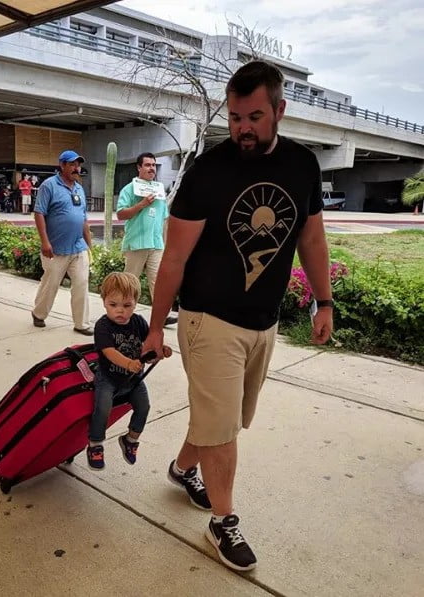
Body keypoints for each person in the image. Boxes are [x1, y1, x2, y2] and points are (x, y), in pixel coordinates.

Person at [143, 60, 333, 572]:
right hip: (210, 321)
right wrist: (156, 325)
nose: (243, 128)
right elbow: (175, 256)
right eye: (234, 117)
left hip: (263, 322)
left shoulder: (302, 165)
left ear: (279, 110)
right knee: (223, 429)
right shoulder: (210, 170)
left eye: (253, 116)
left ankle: (184, 468)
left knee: (225, 418)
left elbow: (312, 238)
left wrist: (324, 301)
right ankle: (223, 521)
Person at [87, 272, 172, 470]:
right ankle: (95, 444)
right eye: (113, 305)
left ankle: (131, 439)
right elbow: (108, 352)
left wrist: (159, 352)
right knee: (103, 407)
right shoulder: (103, 326)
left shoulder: (139, 322)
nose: (120, 311)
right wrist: (127, 363)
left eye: (127, 306)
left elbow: (148, 347)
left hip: (133, 378)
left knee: (144, 406)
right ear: (104, 302)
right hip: (108, 377)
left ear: (135, 303)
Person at [32, 150, 93, 336]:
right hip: (56, 248)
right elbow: (39, 213)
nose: (77, 168)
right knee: (51, 284)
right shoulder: (49, 186)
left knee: (82, 283)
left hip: (78, 246)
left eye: (78, 165)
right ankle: (39, 313)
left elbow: (83, 219)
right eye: (73, 164)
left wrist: (89, 245)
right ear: (62, 165)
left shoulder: (79, 189)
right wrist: (45, 242)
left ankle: (81, 323)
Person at [116, 152, 178, 327]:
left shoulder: (159, 191)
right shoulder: (129, 189)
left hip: (156, 245)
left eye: (153, 165)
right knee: (130, 282)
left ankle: (161, 317)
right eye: (147, 165)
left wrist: (165, 245)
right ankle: (122, 315)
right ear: (139, 167)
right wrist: (141, 204)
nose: (151, 168)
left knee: (158, 282)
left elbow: (164, 220)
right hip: (136, 243)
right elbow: (121, 214)